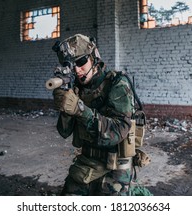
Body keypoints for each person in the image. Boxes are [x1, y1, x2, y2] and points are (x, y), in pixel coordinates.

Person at [51, 33, 149, 196]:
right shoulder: (76, 88)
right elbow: (64, 132)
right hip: (87, 161)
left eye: (81, 61)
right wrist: (65, 108)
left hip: (116, 164)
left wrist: (80, 109)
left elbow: (117, 132)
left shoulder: (117, 84)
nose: (77, 69)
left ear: (94, 58)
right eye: (71, 65)